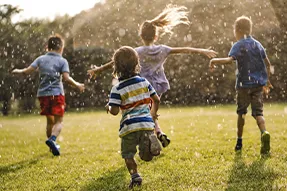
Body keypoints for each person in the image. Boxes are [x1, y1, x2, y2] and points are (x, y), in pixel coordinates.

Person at [88, 4, 218, 148]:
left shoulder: (137, 51)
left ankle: (150, 137)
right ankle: (159, 133)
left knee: (141, 112)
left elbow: (116, 60)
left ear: (141, 35)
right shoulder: (163, 49)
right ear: (156, 36)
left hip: (141, 86)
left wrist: (99, 69)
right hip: (157, 86)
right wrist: (201, 51)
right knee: (151, 112)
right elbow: (184, 49)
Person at [209, 16, 273, 155]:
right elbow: (267, 64)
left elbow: (228, 60)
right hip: (257, 85)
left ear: (237, 30)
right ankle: (264, 132)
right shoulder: (257, 44)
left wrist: (214, 60)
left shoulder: (238, 45)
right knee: (258, 113)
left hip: (243, 86)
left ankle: (239, 141)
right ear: (249, 29)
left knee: (241, 114)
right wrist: (266, 81)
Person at [12, 34, 85, 156]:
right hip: (56, 94)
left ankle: (52, 147)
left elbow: (26, 71)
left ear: (47, 47)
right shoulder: (62, 61)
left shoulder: (41, 59)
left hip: (43, 95)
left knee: (49, 122)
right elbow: (66, 78)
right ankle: (52, 140)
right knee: (59, 121)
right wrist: (77, 85)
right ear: (61, 48)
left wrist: (17, 71)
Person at [106, 46, 162, 189]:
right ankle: (150, 145)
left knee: (128, 155)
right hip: (146, 124)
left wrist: (109, 106)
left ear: (116, 67)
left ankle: (135, 176)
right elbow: (156, 99)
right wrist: (153, 115)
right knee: (146, 156)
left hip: (129, 127)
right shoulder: (143, 82)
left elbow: (114, 111)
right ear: (136, 64)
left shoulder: (117, 88)